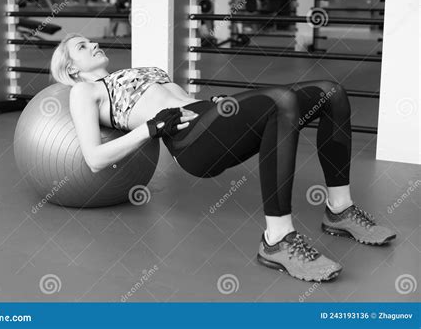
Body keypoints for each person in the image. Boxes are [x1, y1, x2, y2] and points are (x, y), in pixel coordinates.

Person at [50, 33, 396, 282]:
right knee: (283, 100)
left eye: (90, 41)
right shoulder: (86, 90)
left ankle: (339, 210)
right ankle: (277, 241)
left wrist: (217, 105)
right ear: (71, 69)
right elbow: (94, 157)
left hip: (210, 121)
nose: (94, 44)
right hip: (191, 144)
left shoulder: (129, 73)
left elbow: (180, 99)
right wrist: (151, 128)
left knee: (330, 92)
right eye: (82, 46)